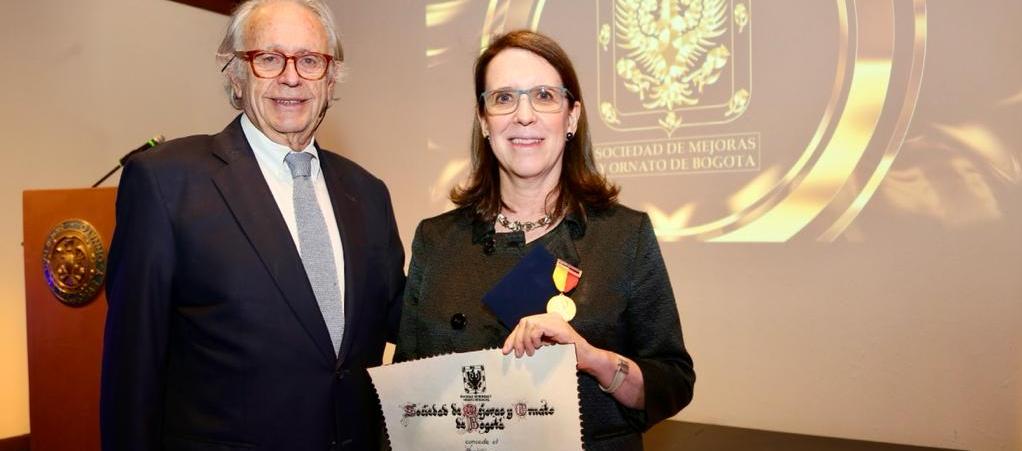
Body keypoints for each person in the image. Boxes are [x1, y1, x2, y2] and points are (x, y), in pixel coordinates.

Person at [99, 1, 405, 450]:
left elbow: (404, 320)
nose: (291, 76)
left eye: (309, 60)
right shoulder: (166, 183)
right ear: (234, 74)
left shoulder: (368, 193)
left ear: (331, 76)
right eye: (268, 58)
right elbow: (132, 372)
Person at [394, 30, 695, 450]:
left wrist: (594, 360)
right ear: (484, 120)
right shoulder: (436, 239)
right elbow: (407, 389)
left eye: (544, 96)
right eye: (503, 98)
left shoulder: (624, 236)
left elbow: (674, 382)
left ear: (571, 117)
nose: (523, 116)